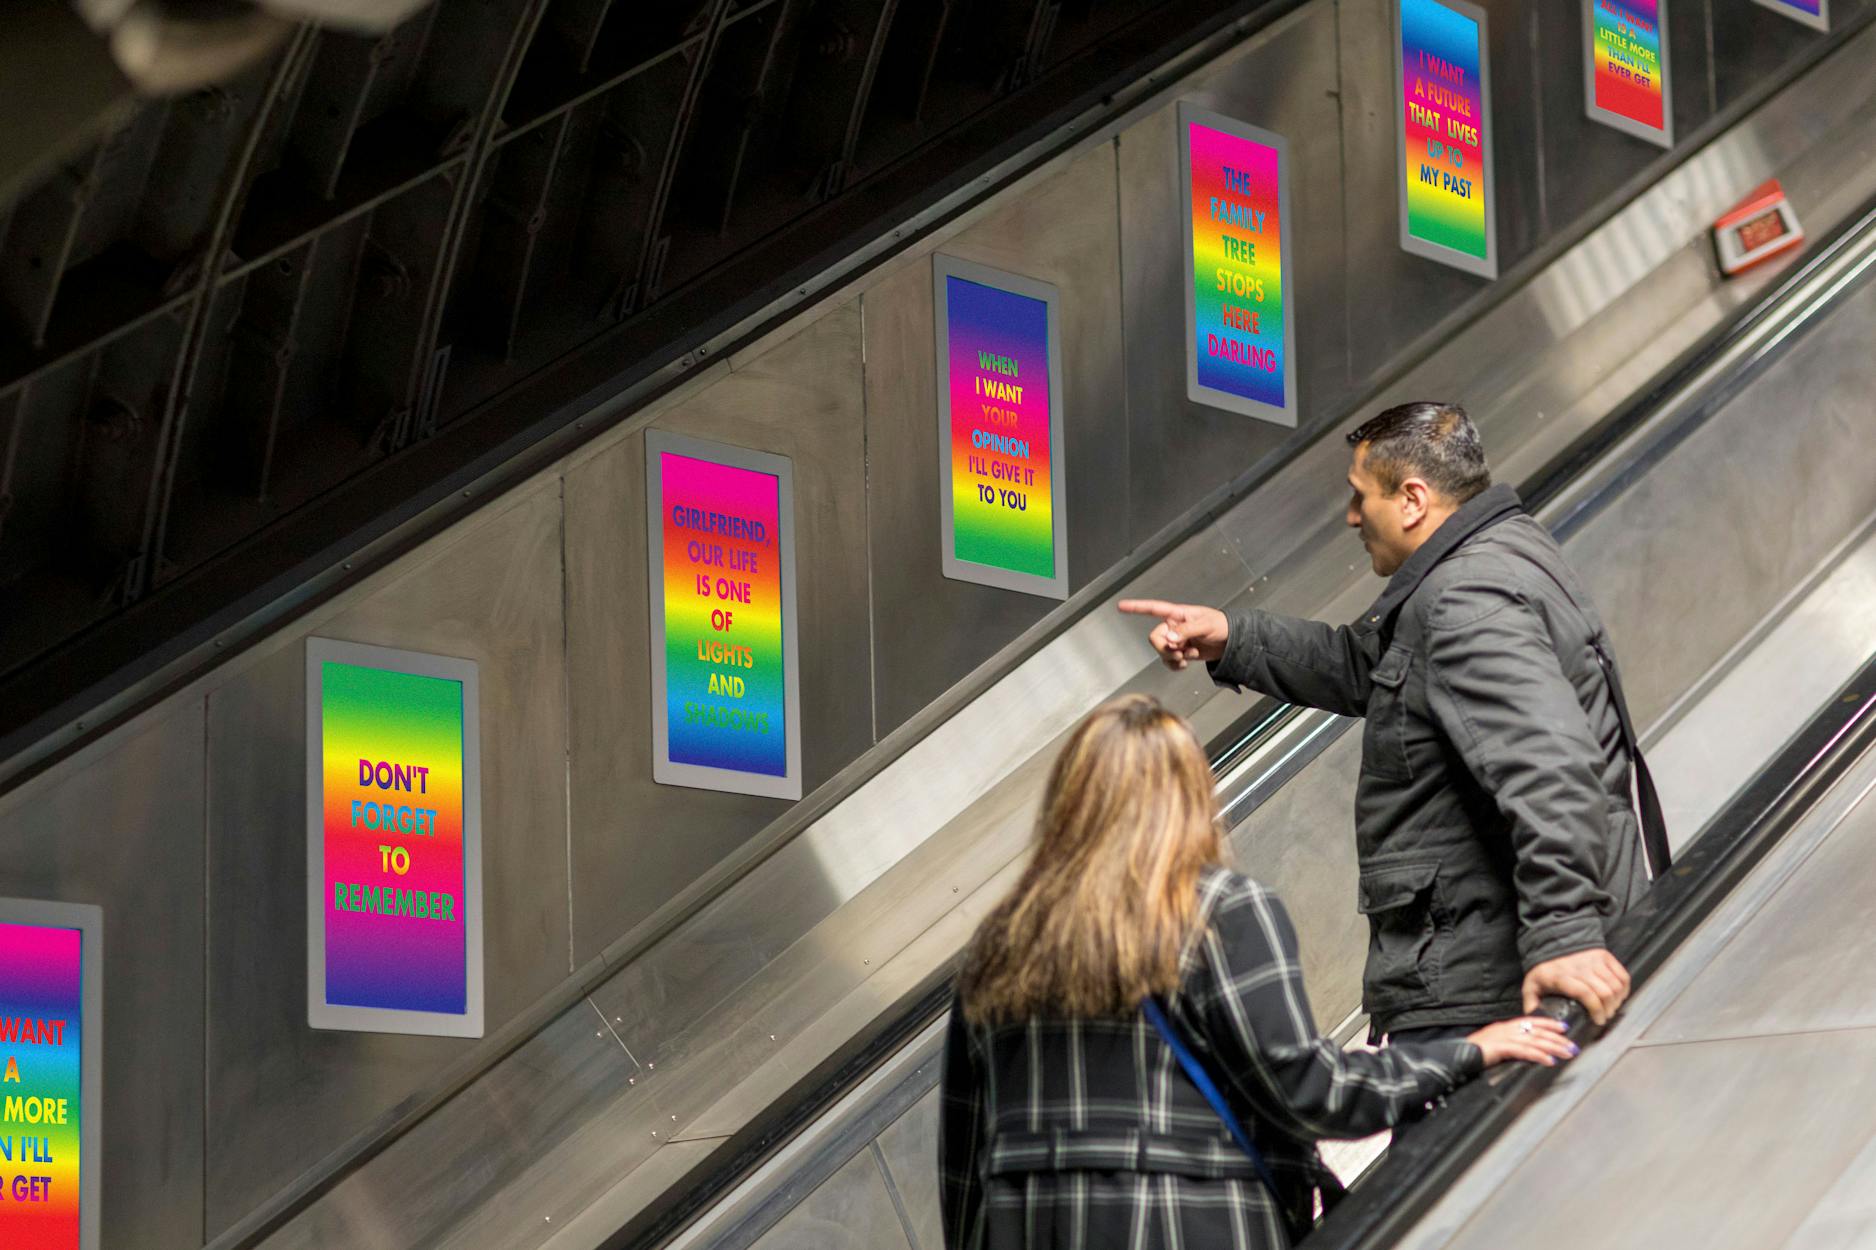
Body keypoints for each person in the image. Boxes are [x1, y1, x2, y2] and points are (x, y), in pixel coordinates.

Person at [938, 695, 1574, 1250]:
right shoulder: (1219, 910)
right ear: (1191, 796)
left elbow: (963, 1159)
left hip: (1022, 1226)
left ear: (1068, 803)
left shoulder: (1001, 942)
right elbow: (1310, 1092)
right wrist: (1464, 1051)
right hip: (1190, 1221)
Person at [1119, 402, 1658, 1047]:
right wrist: (1232, 637)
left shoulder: (1465, 598)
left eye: (1358, 497)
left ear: (1411, 500)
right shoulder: (1494, 558)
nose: (1351, 517)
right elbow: (1371, 668)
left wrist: (1567, 935)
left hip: (1485, 984)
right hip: (1482, 961)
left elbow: (1548, 765)